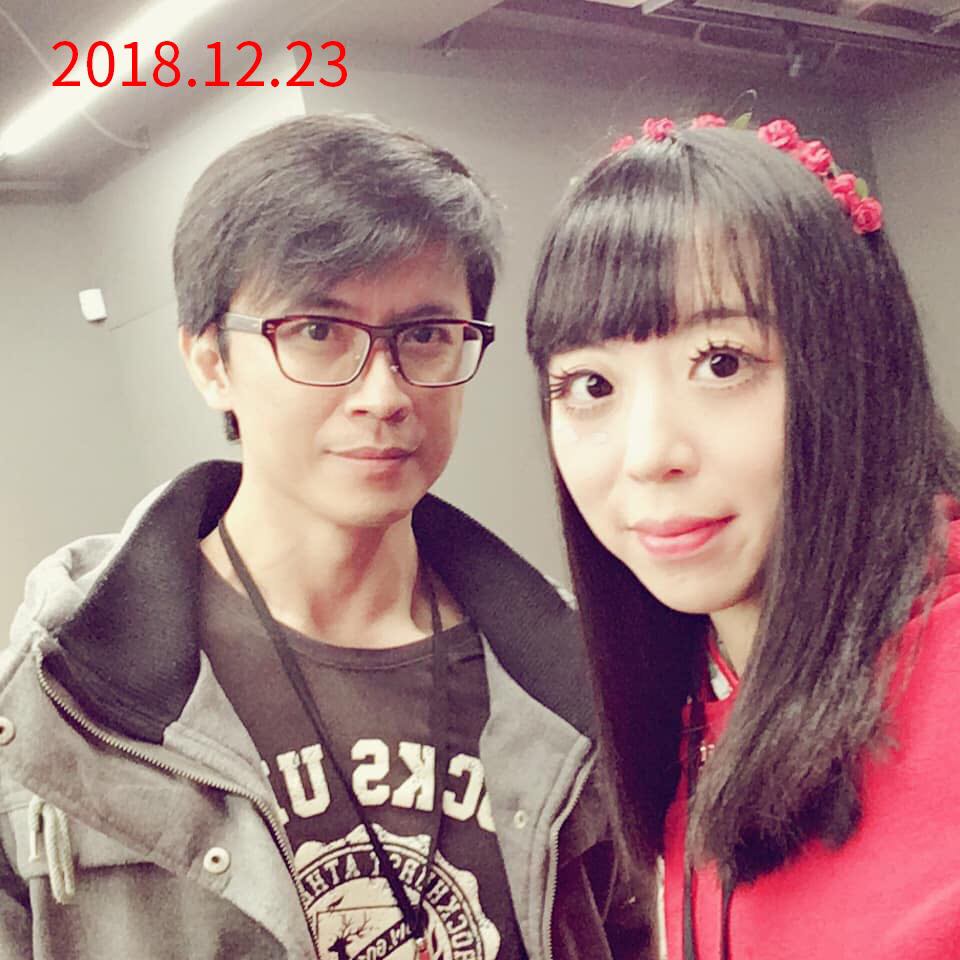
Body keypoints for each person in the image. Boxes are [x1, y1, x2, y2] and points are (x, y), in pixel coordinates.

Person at [0, 115, 653, 960]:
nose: (383, 395)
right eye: (317, 331)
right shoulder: (58, 706)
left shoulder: (574, 677)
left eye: (425, 335)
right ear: (210, 361)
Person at [525, 113, 960, 959]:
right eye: (591, 385)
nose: (649, 455)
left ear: (859, 368)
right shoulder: (686, 688)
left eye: (722, 363)